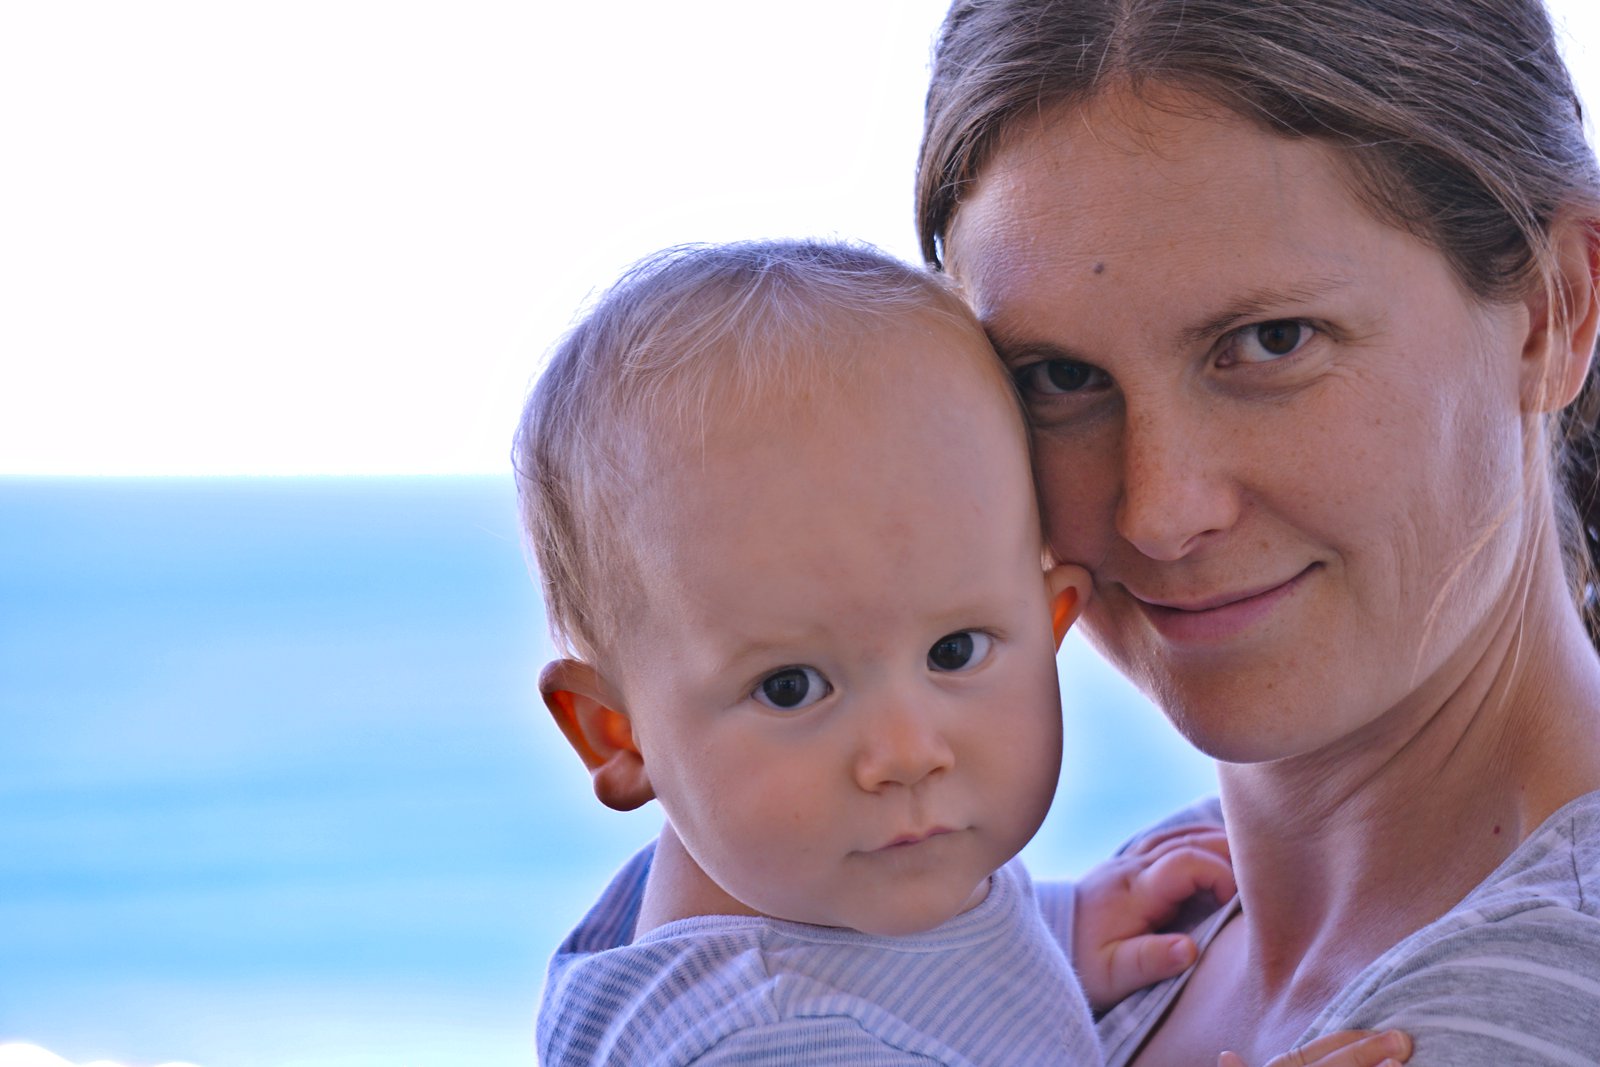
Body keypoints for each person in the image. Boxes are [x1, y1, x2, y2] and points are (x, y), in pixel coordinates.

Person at [515, 239, 1412, 1067]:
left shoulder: (790, 876)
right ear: (616, 732)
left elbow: (898, 970)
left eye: (954, 650)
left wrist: (1058, 931)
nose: (907, 752)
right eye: (790, 687)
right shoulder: (774, 1041)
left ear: (1051, 623)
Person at [914, 1, 1600, 1065]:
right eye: (1058, 377)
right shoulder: (1117, 926)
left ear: (1557, 308)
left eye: (1272, 341)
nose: (1158, 510)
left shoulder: (1532, 1004)